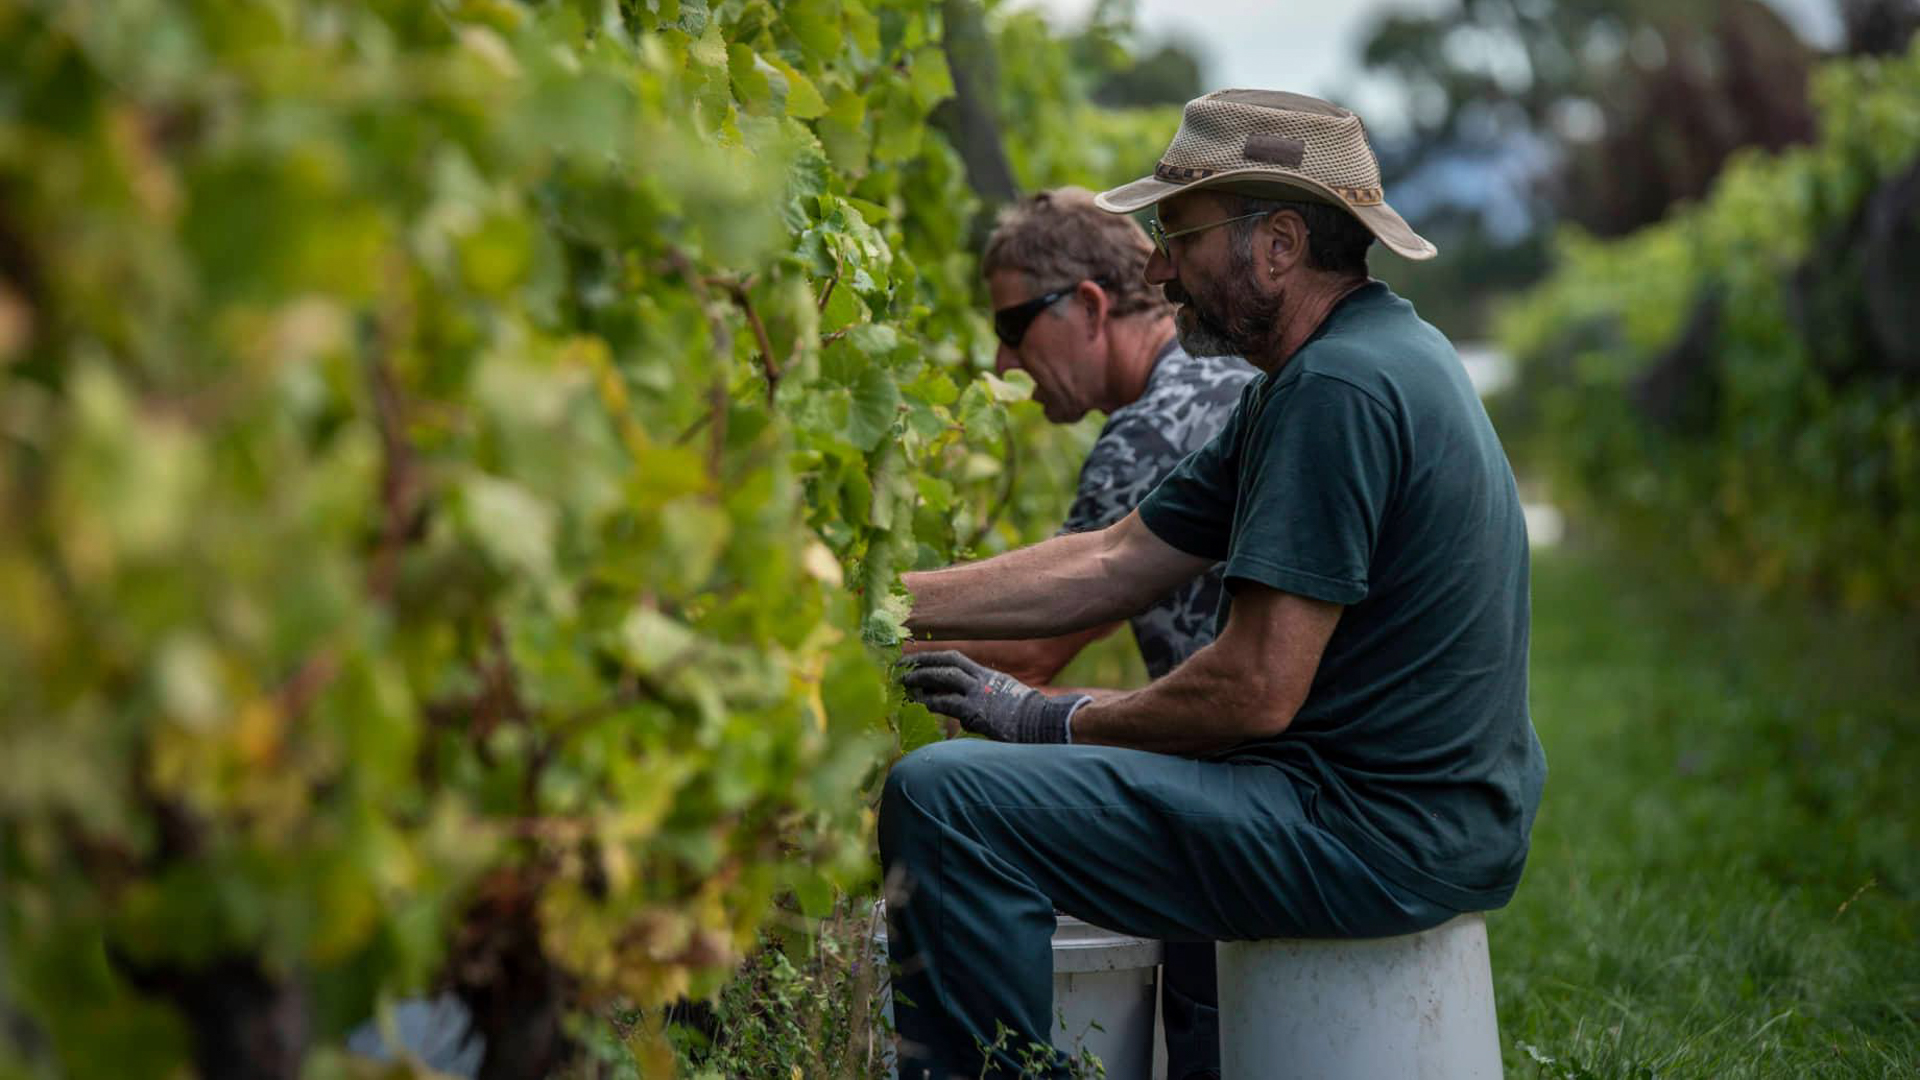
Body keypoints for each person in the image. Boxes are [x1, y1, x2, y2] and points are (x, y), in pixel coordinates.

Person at [881, 89, 1548, 1080]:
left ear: (1275, 244)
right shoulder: (1345, 364)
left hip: (1373, 832)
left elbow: (1255, 687)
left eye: (1178, 233)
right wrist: (879, 602)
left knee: (947, 800)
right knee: (977, 790)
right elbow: (1115, 560)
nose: (1156, 265)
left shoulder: (1337, 391)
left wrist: (1048, 721)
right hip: (1413, 814)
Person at [903, 186, 1256, 1079]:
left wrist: (845, 631)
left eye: (1017, 324)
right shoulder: (1231, 380)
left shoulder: (1149, 435)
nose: (1002, 356)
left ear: (1092, 306)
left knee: (960, 797)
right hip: (1273, 752)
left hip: (1246, 771)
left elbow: (1030, 647)